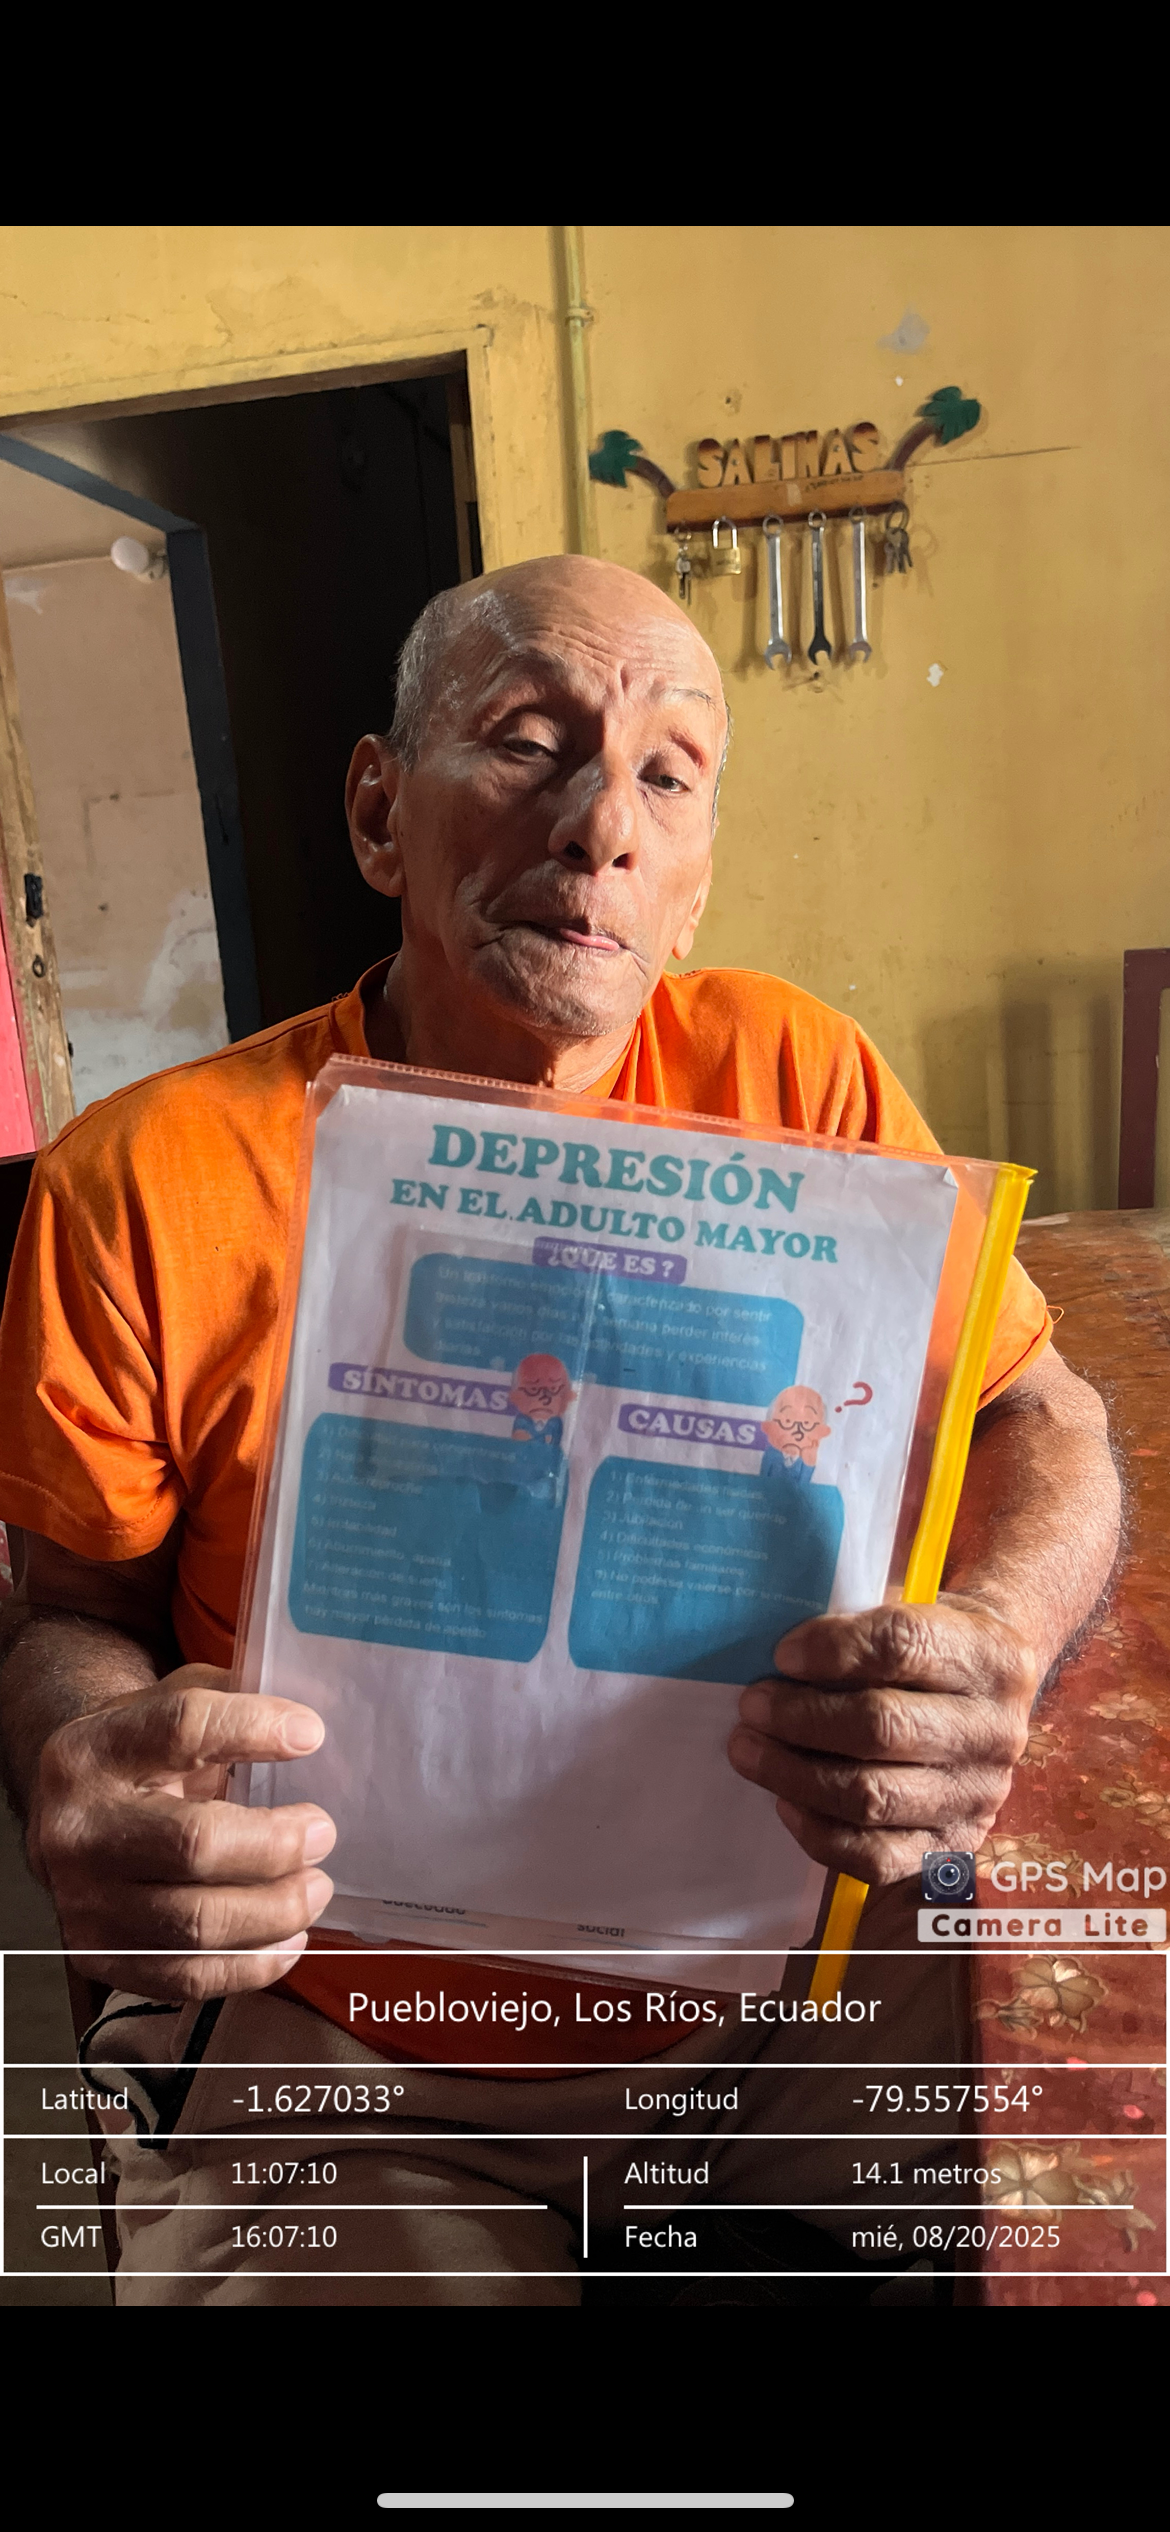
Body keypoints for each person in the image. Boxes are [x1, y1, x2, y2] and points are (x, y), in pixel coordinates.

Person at [0, 556, 1120, 2304]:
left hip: (803, 1990)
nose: (601, 824)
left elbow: (1038, 1413)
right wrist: (79, 1754)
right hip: (346, 2037)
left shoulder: (800, 1081)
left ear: (692, 887)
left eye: (668, 774)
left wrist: (999, 1636)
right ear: (379, 811)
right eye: (527, 743)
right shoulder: (144, 1179)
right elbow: (71, 1608)